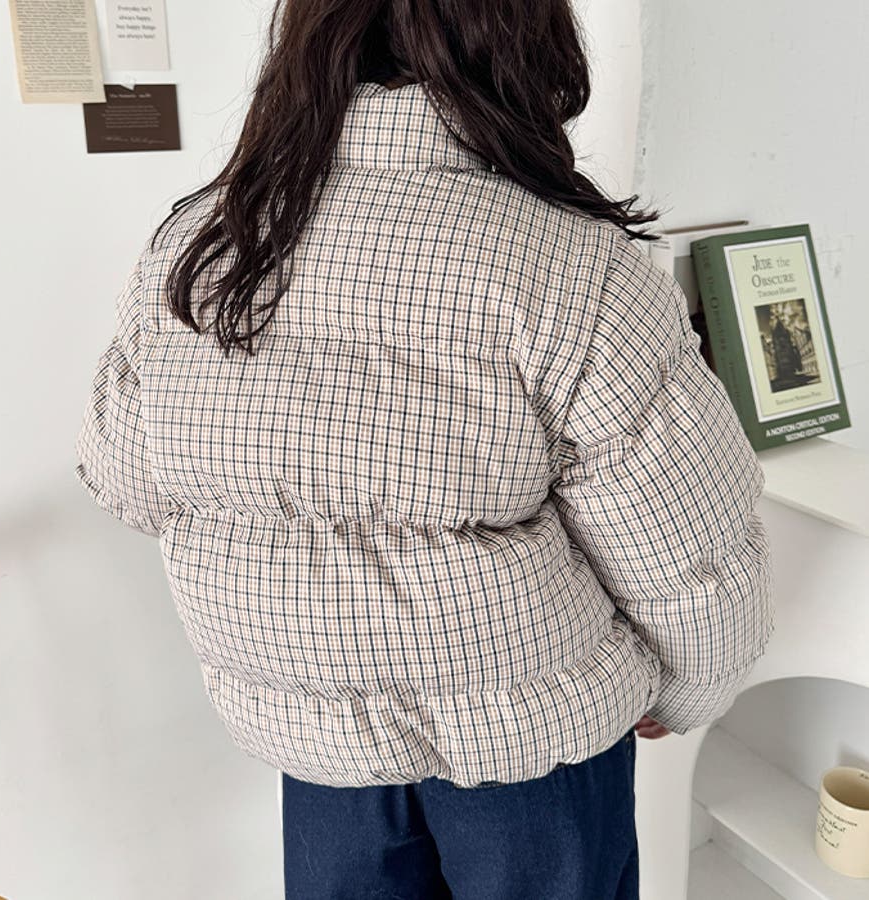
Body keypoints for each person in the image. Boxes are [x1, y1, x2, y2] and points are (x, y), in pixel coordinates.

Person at [73, 1, 776, 897]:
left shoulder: (207, 243)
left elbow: (124, 479)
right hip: (535, 747)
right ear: (527, 44)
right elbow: (689, 552)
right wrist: (688, 691)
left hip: (322, 747)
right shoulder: (572, 264)